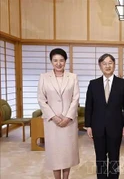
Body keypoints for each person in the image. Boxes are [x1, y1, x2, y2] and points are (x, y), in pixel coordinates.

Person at [84, 53, 124, 179]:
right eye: (104, 63)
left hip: (116, 126)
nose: (107, 66)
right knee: (100, 157)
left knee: (114, 157)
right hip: (97, 126)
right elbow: (89, 106)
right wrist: (88, 125)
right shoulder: (93, 84)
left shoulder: (122, 84)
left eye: (110, 63)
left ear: (114, 65)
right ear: (100, 66)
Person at [37, 48, 80, 179]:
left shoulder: (73, 77)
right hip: (52, 122)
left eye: (61, 60)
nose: (58, 63)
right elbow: (41, 99)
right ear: (51, 62)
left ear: (65, 61)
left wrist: (67, 117)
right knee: (54, 154)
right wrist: (54, 117)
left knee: (67, 153)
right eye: (55, 60)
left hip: (69, 121)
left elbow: (76, 98)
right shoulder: (44, 77)